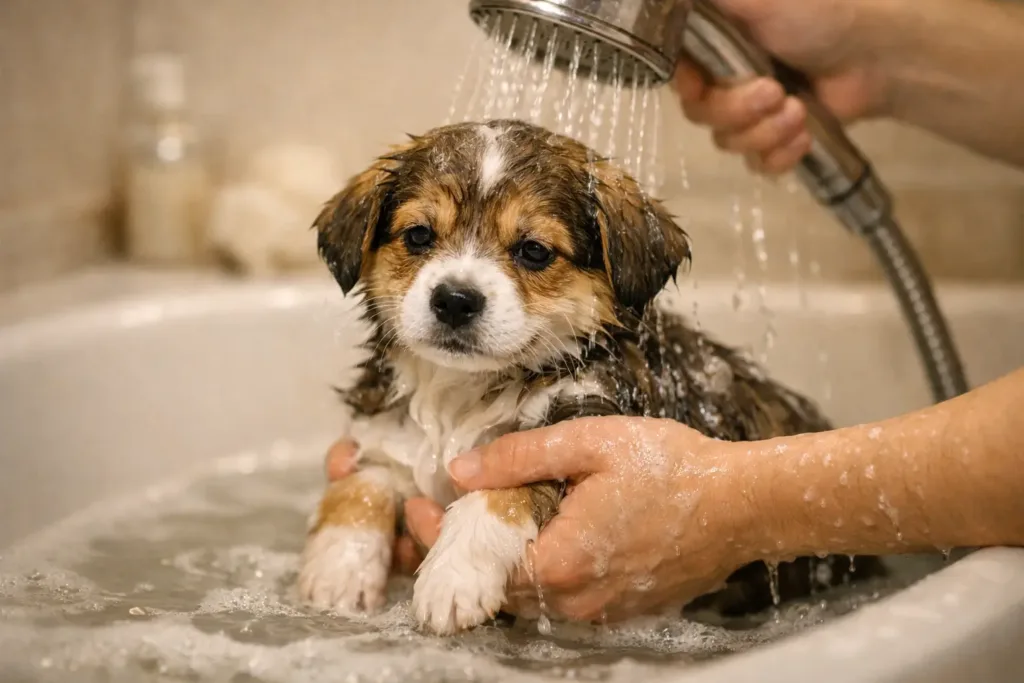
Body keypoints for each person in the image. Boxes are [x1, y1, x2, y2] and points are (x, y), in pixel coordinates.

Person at [326, 0, 1024, 621]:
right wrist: (357, 506)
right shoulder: (393, 390)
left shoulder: (605, 398)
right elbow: (379, 459)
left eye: (534, 252)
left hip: (816, 615)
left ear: (618, 281)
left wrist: (500, 511)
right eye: (419, 238)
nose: (457, 284)